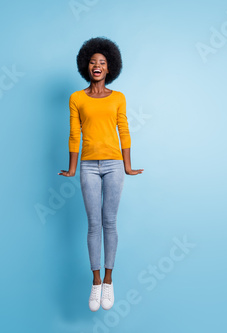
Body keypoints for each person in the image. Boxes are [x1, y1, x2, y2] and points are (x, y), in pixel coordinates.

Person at [58, 36, 143, 311]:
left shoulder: (118, 98)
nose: (97, 65)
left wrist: (128, 165)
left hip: (114, 165)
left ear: (109, 68)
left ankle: (109, 279)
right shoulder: (76, 98)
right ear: (87, 66)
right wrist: (72, 167)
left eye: (102, 62)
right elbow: (74, 134)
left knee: (110, 222)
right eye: (93, 62)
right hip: (88, 166)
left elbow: (124, 130)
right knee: (93, 223)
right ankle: (95, 282)